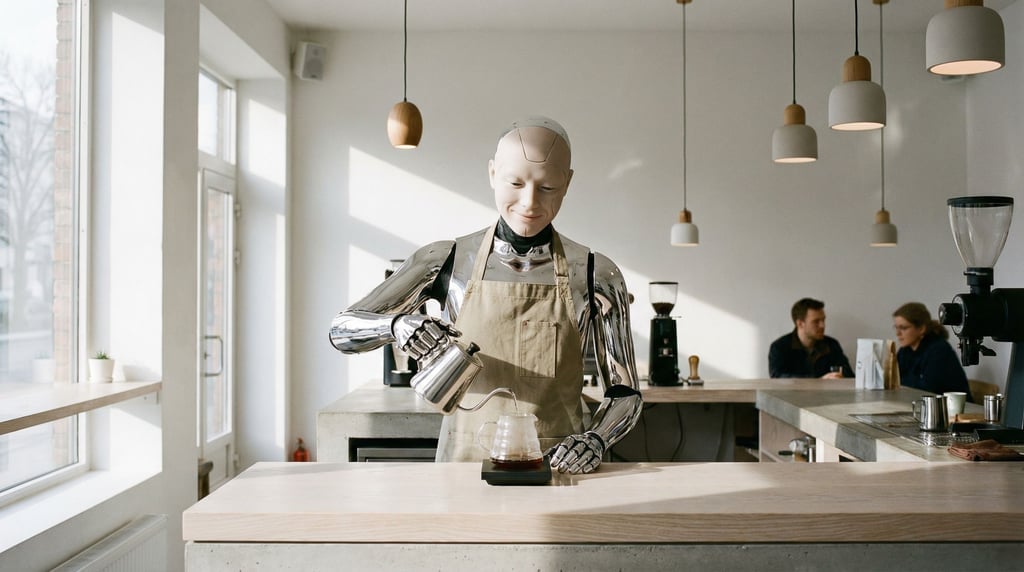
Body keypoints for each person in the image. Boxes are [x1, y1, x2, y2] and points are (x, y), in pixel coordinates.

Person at [329, 116, 642, 474]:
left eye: (548, 187)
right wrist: (397, 325)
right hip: (462, 469)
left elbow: (625, 392)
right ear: (492, 173)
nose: (529, 202)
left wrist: (596, 439)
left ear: (568, 182)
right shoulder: (445, 260)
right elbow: (341, 331)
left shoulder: (595, 272)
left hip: (558, 470)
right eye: (515, 182)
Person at [892, 302, 971, 400]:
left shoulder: (939, 350)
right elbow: (894, 380)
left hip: (955, 409)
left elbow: (927, 389)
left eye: (903, 328)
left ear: (921, 328)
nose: (898, 333)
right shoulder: (905, 351)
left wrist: (901, 382)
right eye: (896, 327)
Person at [768, 298, 852, 378]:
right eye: (816, 321)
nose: (823, 325)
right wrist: (819, 381)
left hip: (827, 393)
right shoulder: (780, 347)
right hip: (794, 393)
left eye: (823, 320)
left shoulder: (831, 344)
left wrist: (839, 377)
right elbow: (777, 378)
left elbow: (849, 375)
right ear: (800, 324)